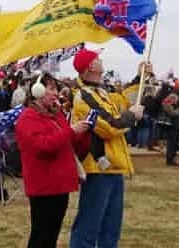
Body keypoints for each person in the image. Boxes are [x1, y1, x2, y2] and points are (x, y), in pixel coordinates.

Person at [69, 48, 143, 248]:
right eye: (98, 59)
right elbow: (109, 126)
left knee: (111, 229)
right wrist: (131, 116)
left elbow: (126, 101)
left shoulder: (101, 92)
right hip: (97, 169)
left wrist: (141, 77)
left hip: (113, 167)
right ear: (91, 66)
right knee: (88, 226)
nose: (102, 61)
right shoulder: (83, 97)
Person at [16, 71, 90, 248]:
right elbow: (43, 146)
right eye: (51, 89)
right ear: (37, 90)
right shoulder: (28, 118)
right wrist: (71, 131)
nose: (56, 93)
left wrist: (84, 131)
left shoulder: (56, 115)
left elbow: (67, 142)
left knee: (51, 236)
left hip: (59, 184)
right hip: (44, 186)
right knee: (41, 236)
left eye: (56, 89)